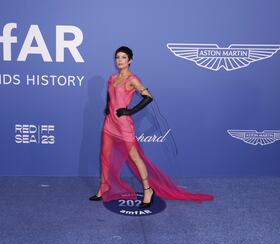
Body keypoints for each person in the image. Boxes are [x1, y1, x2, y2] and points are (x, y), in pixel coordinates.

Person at [89, 46, 213, 207]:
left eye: (123, 57)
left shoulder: (132, 79)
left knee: (135, 158)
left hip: (124, 125)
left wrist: (130, 111)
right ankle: (104, 187)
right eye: (117, 57)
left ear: (130, 61)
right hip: (109, 124)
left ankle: (148, 190)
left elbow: (149, 97)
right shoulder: (112, 77)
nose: (119, 60)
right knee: (105, 156)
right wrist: (108, 106)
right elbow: (109, 93)